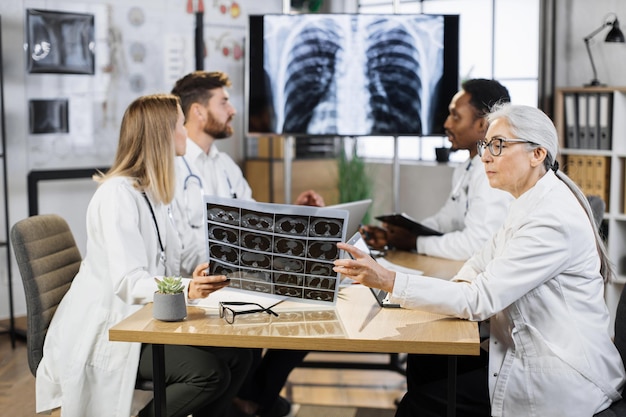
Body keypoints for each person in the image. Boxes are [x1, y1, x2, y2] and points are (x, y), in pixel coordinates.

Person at [335, 103, 626, 416]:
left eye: (498, 145)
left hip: (560, 374)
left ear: (537, 154)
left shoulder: (551, 218)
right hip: (525, 349)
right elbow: (477, 264)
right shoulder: (529, 202)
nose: (486, 155)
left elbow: (479, 299)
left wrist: (389, 280)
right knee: (427, 358)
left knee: (418, 405)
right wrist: (457, 292)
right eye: (486, 144)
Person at [35, 94, 252, 417]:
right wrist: (185, 289)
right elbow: (128, 280)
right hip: (111, 331)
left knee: (241, 355)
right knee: (208, 373)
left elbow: (165, 263)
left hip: (143, 319)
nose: (185, 131)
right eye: (180, 124)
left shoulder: (152, 193)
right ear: (164, 134)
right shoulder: (116, 195)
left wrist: (193, 278)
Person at [170, 71, 316, 417]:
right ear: (198, 112)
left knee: (309, 314)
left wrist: (296, 216)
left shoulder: (225, 165)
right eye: (223, 101)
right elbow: (181, 249)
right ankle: (250, 402)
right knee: (271, 325)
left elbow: (255, 223)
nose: (233, 110)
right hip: (200, 285)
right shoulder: (173, 167)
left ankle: (251, 400)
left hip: (239, 272)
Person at [361, 78, 513, 261]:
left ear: (482, 124)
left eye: (455, 116)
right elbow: (446, 221)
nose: (447, 124)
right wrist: (399, 235)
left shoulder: (493, 172)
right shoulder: (466, 168)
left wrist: (416, 242)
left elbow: (478, 244)